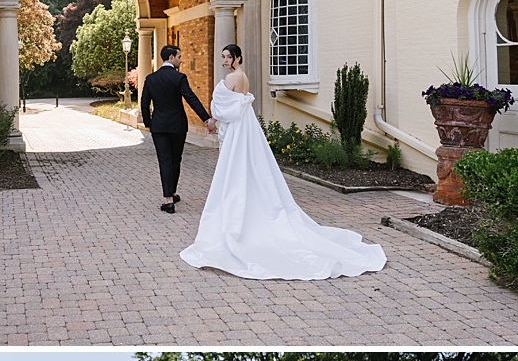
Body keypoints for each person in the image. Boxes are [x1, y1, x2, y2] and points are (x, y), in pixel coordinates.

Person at [180, 44, 386, 279]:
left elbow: (223, 109)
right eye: (224, 57)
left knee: (235, 169)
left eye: (229, 57)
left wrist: (212, 120)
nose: (225, 60)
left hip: (238, 129)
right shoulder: (243, 77)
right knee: (251, 166)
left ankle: (236, 220)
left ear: (238, 57)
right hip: (246, 127)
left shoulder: (232, 79)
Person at [140, 42, 214, 213]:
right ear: (171, 57)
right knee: (175, 159)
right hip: (177, 125)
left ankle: (169, 199)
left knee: (164, 161)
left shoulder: (151, 79)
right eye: (179, 57)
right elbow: (191, 98)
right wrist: (206, 118)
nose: (181, 60)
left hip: (159, 126)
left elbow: (145, 104)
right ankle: (171, 193)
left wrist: (149, 123)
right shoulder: (179, 78)